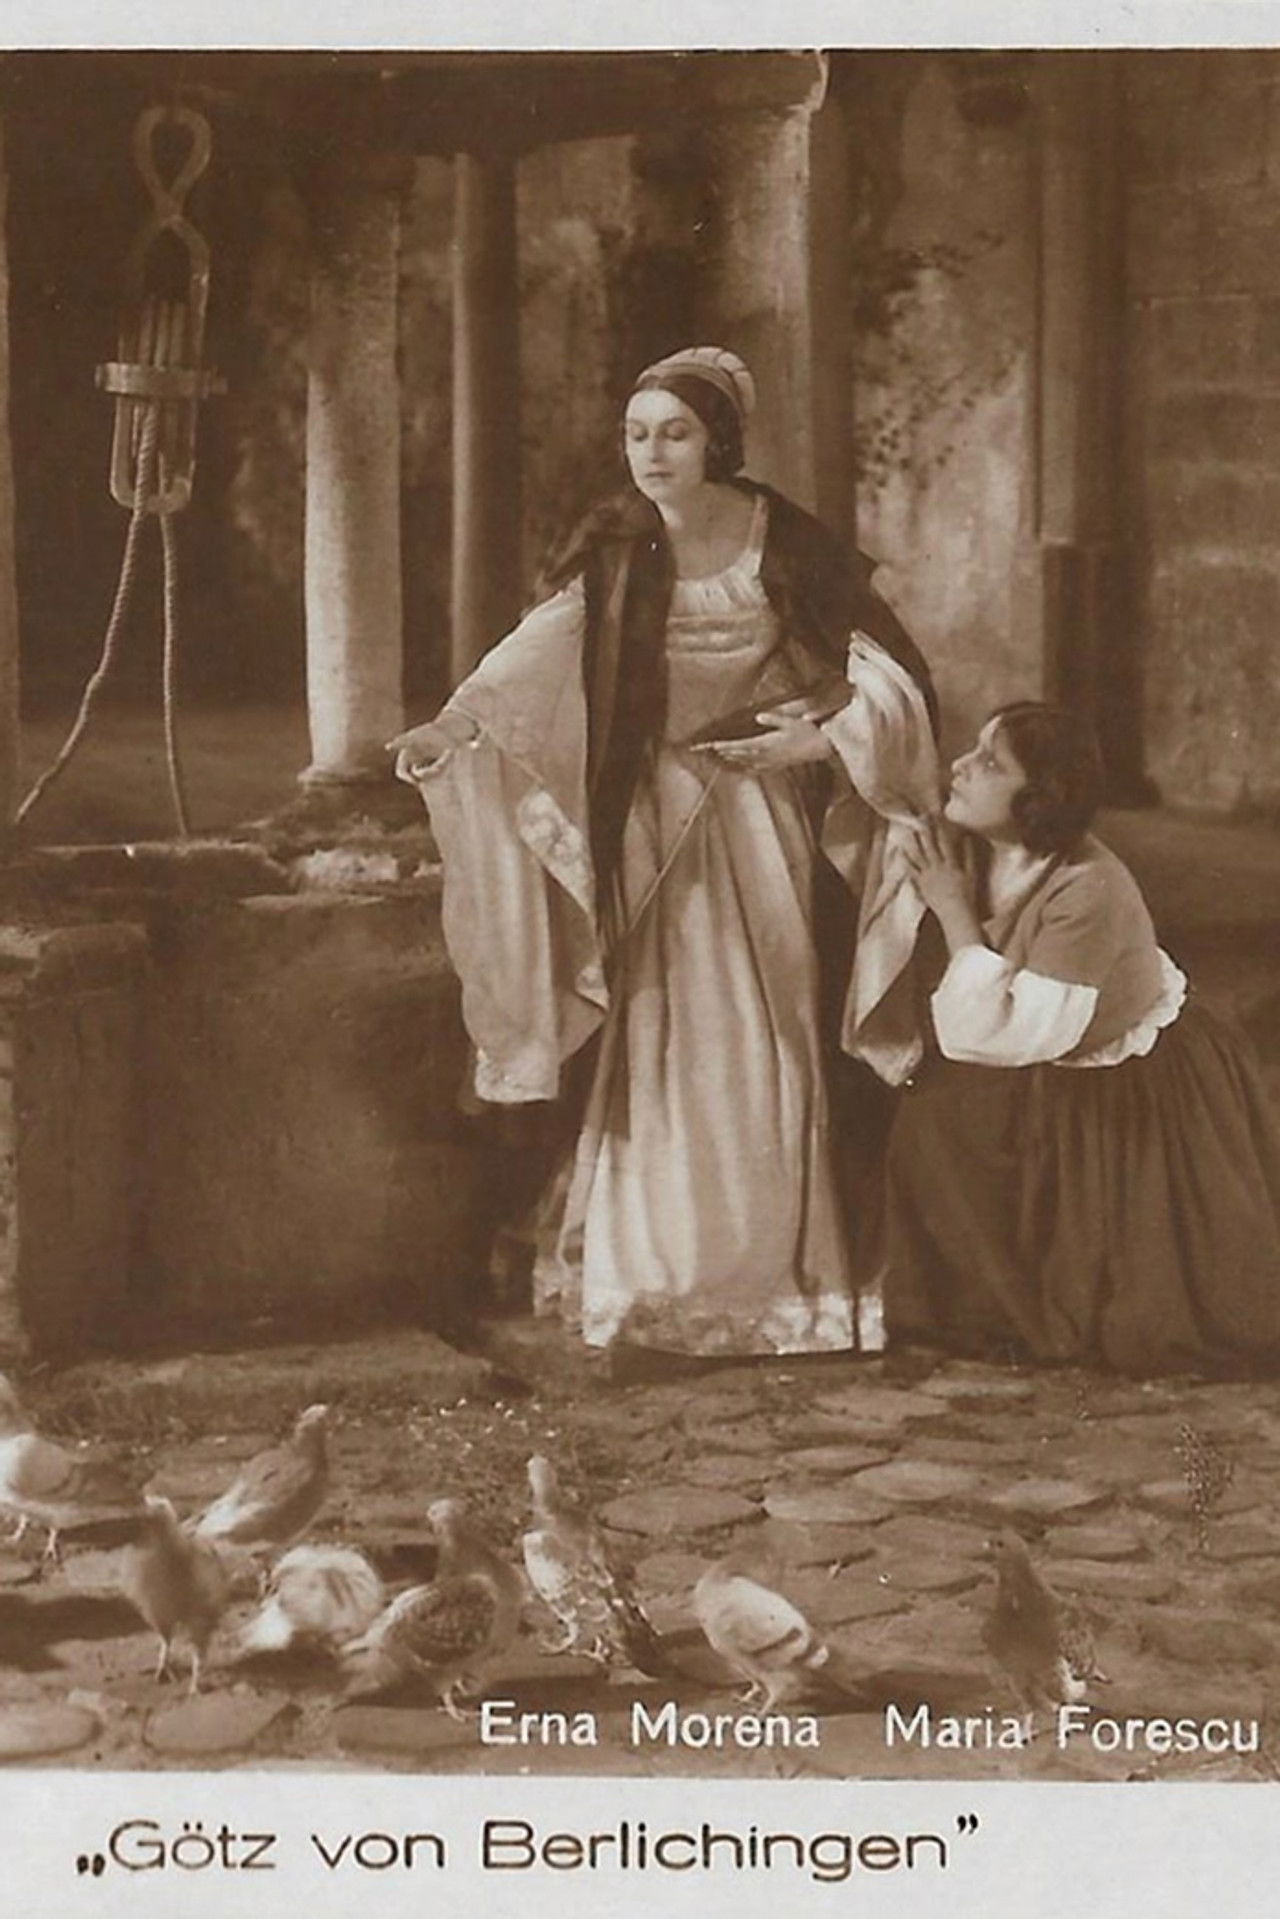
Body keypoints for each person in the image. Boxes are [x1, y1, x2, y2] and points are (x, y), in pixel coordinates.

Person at [389, 344, 934, 1359]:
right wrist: (454, 725)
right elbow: (540, 651)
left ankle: (775, 1279)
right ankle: (647, 1274)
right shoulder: (617, 544)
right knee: (651, 1029)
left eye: (675, 434)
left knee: (770, 1025)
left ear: (716, 442)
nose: (652, 453)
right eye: (637, 434)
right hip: (647, 813)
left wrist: (816, 740)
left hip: (759, 815)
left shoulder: (785, 543)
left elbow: (885, 673)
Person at [886, 700, 1280, 1376]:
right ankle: (977, 1297)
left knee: (1142, 1302)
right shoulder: (983, 844)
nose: (961, 766)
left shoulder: (1087, 888)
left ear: (1040, 798)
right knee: (930, 1119)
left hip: (1127, 1082)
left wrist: (952, 909)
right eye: (973, 750)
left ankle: (1023, 1301)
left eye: (989, 763)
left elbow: (1009, 1030)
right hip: (1039, 1051)